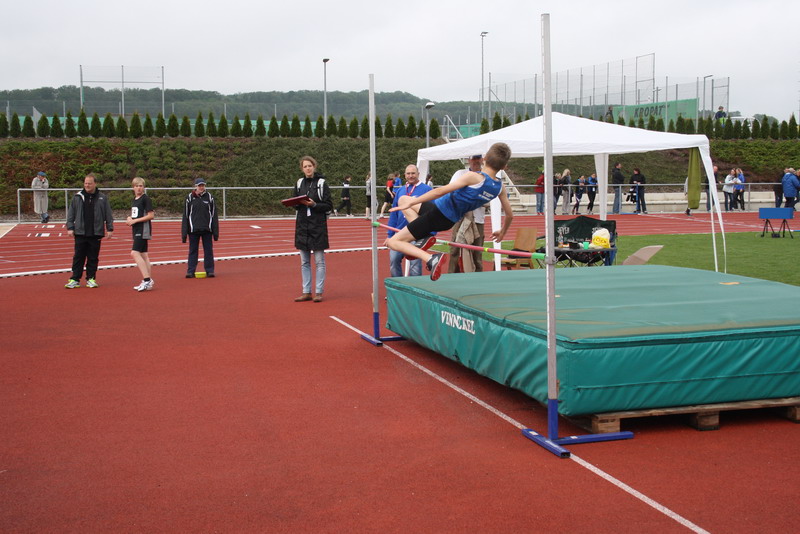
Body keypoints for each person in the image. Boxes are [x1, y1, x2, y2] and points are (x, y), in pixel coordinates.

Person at [387, 142, 514, 281]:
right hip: (448, 219)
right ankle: (423, 237)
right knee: (403, 199)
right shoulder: (499, 187)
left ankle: (431, 259)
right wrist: (502, 232)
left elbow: (440, 191)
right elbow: (509, 215)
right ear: (504, 166)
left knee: (393, 242)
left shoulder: (474, 177)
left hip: (437, 213)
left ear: (485, 158)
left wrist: (413, 202)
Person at [292, 156, 332, 302]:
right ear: (302, 169)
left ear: (314, 166)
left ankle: (319, 292)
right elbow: (294, 202)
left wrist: (314, 205)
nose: (308, 168)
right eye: (305, 166)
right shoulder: (299, 183)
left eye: (310, 166)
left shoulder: (321, 183)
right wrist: (296, 203)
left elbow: (328, 205)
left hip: (317, 226)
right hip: (302, 226)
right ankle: (306, 292)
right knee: (304, 262)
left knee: (319, 261)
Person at [64, 173, 114, 289]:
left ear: (95, 184)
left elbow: (108, 214)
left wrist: (110, 228)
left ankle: (91, 278)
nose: (87, 185)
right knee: (78, 257)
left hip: (96, 232)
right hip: (80, 232)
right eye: (85, 183)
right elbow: (71, 213)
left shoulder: (102, 198)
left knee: (93, 257)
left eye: (89, 183)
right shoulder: (77, 197)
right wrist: (70, 227)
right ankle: (75, 279)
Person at [385, 164, 433, 277]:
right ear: (404, 175)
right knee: (394, 261)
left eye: (413, 173)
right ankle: (398, 285)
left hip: (415, 234)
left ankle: (414, 287)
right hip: (399, 233)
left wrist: (430, 233)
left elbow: (433, 213)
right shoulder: (400, 190)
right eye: (408, 173)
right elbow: (394, 214)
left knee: (415, 265)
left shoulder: (427, 190)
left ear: (418, 174)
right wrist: (390, 235)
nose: (411, 176)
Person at [447, 155, 487, 274]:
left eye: (478, 158)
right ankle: (452, 277)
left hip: (478, 220)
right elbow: (451, 191)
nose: (475, 161)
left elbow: (489, 200)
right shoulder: (460, 174)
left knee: (477, 253)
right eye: (473, 158)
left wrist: (470, 198)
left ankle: (477, 278)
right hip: (460, 218)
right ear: (468, 160)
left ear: (482, 159)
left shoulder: (486, 177)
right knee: (455, 250)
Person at [182, 177, 219, 278]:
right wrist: (184, 233)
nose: (201, 187)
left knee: (208, 251)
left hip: (207, 230)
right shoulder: (189, 198)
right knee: (193, 251)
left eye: (203, 185)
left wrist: (215, 232)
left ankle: (210, 270)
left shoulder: (210, 197)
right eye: (199, 185)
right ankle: (190, 271)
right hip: (193, 230)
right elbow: (185, 216)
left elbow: (214, 215)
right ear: (196, 186)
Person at [126, 177, 155, 292]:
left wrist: (135, 221)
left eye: (141, 186)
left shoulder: (145, 199)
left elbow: (151, 215)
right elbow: (135, 214)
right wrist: (130, 219)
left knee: (134, 253)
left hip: (143, 229)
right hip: (136, 229)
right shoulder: (134, 200)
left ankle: (147, 280)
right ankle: (147, 281)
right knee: (144, 255)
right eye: (136, 186)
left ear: (143, 187)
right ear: (133, 187)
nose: (139, 188)